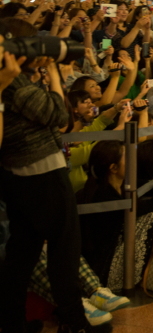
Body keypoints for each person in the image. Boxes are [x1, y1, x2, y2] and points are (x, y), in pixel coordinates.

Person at [0, 29, 101, 332]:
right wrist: (55, 73)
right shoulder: (11, 82)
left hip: (19, 174)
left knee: (22, 252)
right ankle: (73, 320)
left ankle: (12, 321)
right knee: (64, 249)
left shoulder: (15, 78)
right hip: (41, 170)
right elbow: (59, 114)